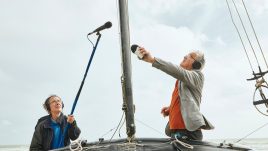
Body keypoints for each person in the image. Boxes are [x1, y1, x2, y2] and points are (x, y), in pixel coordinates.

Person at [138, 47, 214, 140]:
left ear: (196, 64)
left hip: (188, 133)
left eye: (190, 56)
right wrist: (171, 108)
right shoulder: (181, 81)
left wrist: (152, 60)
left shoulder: (197, 76)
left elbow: (177, 71)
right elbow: (185, 99)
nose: (185, 56)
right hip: (176, 132)